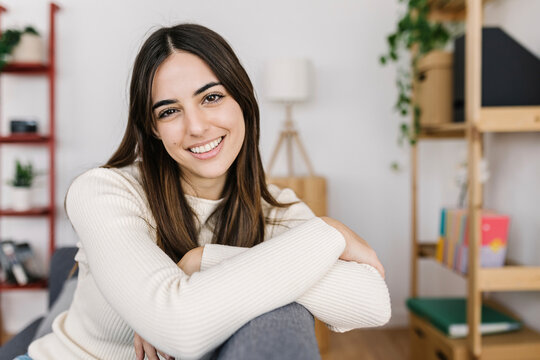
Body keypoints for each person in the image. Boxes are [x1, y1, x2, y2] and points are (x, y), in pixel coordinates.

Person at [19, 23, 391, 360]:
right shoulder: (104, 191)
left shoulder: (274, 209)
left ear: (242, 100)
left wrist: (203, 260)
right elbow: (177, 327)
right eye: (169, 111)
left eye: (211, 97)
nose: (196, 127)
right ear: (152, 127)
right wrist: (330, 232)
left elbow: (372, 303)